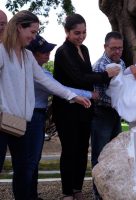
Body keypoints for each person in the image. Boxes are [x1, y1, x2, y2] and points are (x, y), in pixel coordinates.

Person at [0, 10, 90, 200]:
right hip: (2, 122)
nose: (34, 37)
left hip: (20, 123)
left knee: (24, 170)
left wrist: (73, 96)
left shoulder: (27, 56)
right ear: (18, 28)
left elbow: (47, 81)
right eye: (32, 32)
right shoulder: (1, 51)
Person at [52, 14, 120, 200]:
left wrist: (92, 93)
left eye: (84, 32)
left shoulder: (85, 49)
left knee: (82, 148)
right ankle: (67, 192)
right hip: (66, 107)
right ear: (66, 32)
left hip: (85, 107)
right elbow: (78, 78)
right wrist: (106, 75)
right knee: (69, 149)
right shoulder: (62, 52)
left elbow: (87, 75)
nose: (81, 36)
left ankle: (77, 188)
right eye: (76, 33)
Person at [26, 34, 99, 200]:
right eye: (43, 52)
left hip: (38, 114)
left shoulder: (40, 70)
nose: (48, 54)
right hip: (32, 115)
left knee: (33, 159)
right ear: (34, 54)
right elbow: (58, 87)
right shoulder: (37, 73)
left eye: (48, 50)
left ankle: (31, 194)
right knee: (29, 160)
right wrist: (89, 94)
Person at [91, 31, 125, 200]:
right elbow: (98, 95)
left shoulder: (122, 63)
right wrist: (120, 102)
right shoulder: (99, 66)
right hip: (101, 115)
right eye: (113, 48)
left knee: (115, 154)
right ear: (105, 47)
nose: (117, 52)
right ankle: (98, 194)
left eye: (120, 48)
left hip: (115, 115)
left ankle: (112, 191)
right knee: (99, 155)